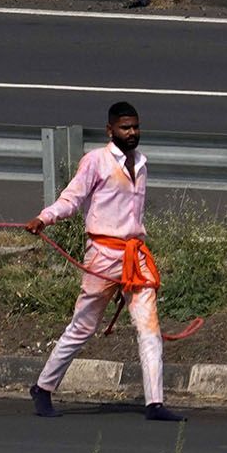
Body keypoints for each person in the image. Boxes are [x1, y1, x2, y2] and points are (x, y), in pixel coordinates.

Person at [24, 101, 186, 422]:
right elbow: (72, 198)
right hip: (102, 255)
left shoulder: (141, 162)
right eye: (125, 128)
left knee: (149, 328)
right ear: (110, 130)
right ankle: (43, 388)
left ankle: (154, 403)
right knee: (83, 327)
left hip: (135, 257)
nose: (132, 133)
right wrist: (44, 218)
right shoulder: (95, 161)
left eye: (136, 127)